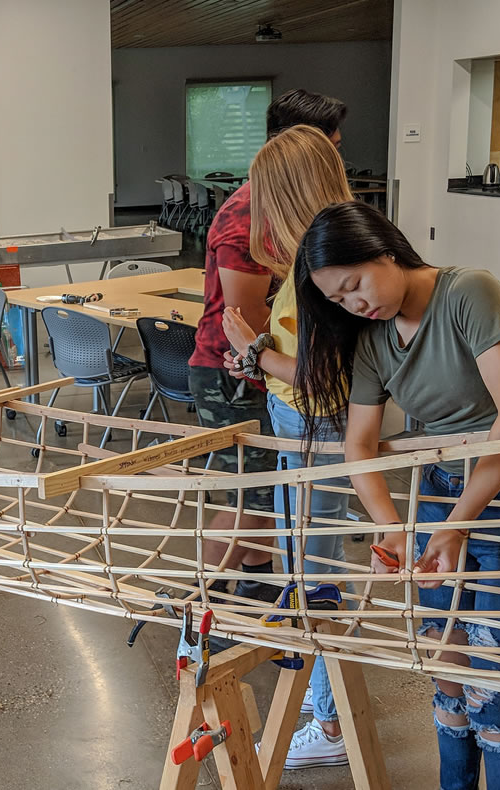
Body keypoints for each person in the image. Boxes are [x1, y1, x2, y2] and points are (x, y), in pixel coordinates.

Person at [291, 200, 500, 790]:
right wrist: (392, 526)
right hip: (442, 497)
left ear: (385, 250)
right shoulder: (372, 339)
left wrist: (457, 524)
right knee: (447, 684)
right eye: (339, 300)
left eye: (356, 284)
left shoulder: (469, 292)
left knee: (492, 698)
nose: (356, 304)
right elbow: (359, 444)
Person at [216, 126, 355, 769]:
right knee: (305, 565)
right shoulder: (331, 250)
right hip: (310, 427)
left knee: (312, 577)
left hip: (314, 427)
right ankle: (319, 708)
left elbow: (320, 377)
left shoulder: (319, 268)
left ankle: (326, 723)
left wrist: (252, 349)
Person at [186, 88, 348, 600]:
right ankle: (195, 607)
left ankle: (256, 595)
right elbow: (245, 320)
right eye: (332, 147)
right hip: (234, 372)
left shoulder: (289, 208)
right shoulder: (248, 216)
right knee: (249, 501)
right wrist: (269, 366)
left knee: (261, 495)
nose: (339, 157)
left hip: (264, 366)